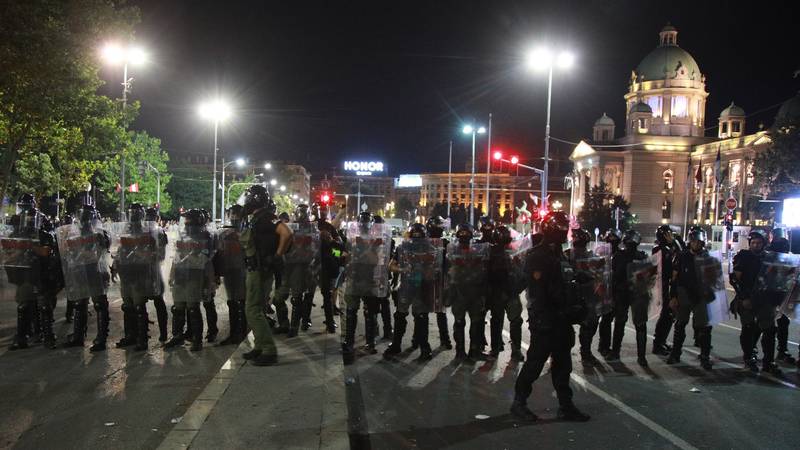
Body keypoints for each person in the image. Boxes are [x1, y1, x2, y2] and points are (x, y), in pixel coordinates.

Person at [511, 211, 590, 422]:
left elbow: (565, 278)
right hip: (545, 319)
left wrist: (578, 279)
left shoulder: (559, 254)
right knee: (535, 363)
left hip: (561, 318)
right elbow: (540, 290)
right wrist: (560, 302)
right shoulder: (537, 255)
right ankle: (519, 403)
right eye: (563, 230)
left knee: (563, 365)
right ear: (553, 231)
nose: (566, 234)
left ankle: (566, 405)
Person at [239, 185, 292, 366]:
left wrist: (276, 256)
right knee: (257, 308)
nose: (245, 201)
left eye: (247, 198)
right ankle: (260, 346)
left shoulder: (266, 218)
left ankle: (269, 349)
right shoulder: (257, 218)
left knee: (252, 309)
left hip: (260, 270)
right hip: (257, 268)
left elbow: (287, 233)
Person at [3, 195, 57, 350]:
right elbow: (10, 247)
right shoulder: (17, 224)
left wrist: (30, 246)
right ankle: (22, 336)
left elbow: (47, 249)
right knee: (23, 304)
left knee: (44, 305)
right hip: (24, 270)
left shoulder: (43, 222)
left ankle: (48, 336)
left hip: (41, 271)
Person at [112, 203, 166, 351]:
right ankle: (131, 335)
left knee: (139, 305)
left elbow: (159, 254)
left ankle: (142, 338)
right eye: (131, 213)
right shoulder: (125, 231)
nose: (133, 216)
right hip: (127, 272)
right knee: (127, 306)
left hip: (142, 272)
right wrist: (116, 264)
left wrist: (143, 255)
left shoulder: (151, 232)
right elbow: (120, 250)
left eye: (136, 213)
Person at [730, 230, 783, 374]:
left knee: (770, 330)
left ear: (764, 243)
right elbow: (735, 279)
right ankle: (748, 358)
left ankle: (768, 361)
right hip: (747, 298)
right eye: (753, 242)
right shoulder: (743, 257)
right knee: (748, 328)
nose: (756, 245)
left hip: (764, 299)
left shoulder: (769, 258)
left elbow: (776, 279)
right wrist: (743, 297)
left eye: (759, 243)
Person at [61, 204, 112, 352]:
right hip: (81, 271)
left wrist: (83, 254)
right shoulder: (75, 234)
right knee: (80, 303)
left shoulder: (100, 234)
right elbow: (68, 252)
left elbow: (99, 252)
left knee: (99, 304)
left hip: (96, 271)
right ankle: (78, 336)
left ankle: (101, 339)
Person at [342, 212, 391, 363]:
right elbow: (340, 253)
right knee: (351, 311)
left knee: (370, 313)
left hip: (369, 279)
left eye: (366, 222)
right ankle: (349, 342)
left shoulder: (376, 241)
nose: (364, 225)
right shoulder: (351, 239)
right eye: (361, 222)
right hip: (354, 278)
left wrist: (366, 249)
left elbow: (377, 261)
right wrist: (341, 255)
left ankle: (370, 342)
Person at [165, 209, 216, 352]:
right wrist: (172, 273)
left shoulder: (206, 237)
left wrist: (210, 282)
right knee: (178, 307)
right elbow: (177, 256)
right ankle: (177, 335)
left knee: (193, 307)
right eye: (185, 221)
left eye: (188, 221)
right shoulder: (182, 236)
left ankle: (197, 339)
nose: (186, 224)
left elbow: (208, 261)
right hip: (181, 273)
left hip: (196, 274)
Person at [386, 222, 439, 361]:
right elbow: (391, 266)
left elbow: (436, 269)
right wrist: (403, 270)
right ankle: (397, 344)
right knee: (400, 315)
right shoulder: (403, 248)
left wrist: (428, 271)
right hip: (407, 285)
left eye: (419, 237)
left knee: (421, 317)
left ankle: (423, 347)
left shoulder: (431, 249)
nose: (416, 240)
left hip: (423, 286)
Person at [666, 228, 715, 370]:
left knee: (704, 327)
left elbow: (714, 279)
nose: (696, 244)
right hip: (684, 293)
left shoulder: (708, 258)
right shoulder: (682, 257)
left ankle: (705, 356)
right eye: (693, 241)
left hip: (701, 295)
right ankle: (675, 353)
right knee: (680, 324)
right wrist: (673, 296)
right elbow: (674, 278)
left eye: (698, 241)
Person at [272, 204, 319, 337]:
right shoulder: (290, 227)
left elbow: (317, 248)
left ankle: (294, 327)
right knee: (278, 298)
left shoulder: (313, 229)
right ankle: (284, 324)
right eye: (300, 212)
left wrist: (315, 266)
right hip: (287, 266)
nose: (302, 215)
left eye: (304, 212)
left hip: (302, 266)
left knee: (297, 298)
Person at [608, 230, 652, 366]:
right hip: (625, 292)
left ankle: (637, 355)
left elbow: (649, 276)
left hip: (634, 293)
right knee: (624, 323)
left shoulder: (638, 256)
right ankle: (623, 353)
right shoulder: (624, 256)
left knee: (635, 323)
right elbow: (613, 275)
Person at [447, 223, 489, 360]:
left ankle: (473, 350)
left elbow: (483, 269)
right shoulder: (452, 251)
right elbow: (449, 269)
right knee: (460, 322)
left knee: (475, 322)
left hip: (474, 290)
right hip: (460, 290)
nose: (464, 238)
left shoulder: (477, 250)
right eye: (462, 235)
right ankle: (461, 351)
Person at [567, 228, 606, 365]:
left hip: (587, 295)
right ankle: (560, 354)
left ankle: (586, 352)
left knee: (590, 324)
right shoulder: (566, 255)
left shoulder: (592, 256)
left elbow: (600, 273)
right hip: (569, 296)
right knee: (563, 327)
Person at [486, 225, 525, 361]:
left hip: (509, 292)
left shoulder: (514, 253)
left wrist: (516, 288)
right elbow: (488, 275)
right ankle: (498, 348)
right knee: (499, 321)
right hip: (501, 292)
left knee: (511, 321)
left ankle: (513, 349)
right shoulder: (491, 253)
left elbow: (521, 272)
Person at [216, 204, 248, 345]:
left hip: (243, 270)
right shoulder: (224, 233)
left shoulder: (248, 232)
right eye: (232, 214)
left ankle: (242, 332)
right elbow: (218, 253)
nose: (234, 217)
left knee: (241, 301)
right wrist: (217, 273)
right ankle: (233, 332)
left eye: (237, 214)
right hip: (229, 271)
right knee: (231, 301)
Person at [767, 228, 796, 364]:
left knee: (783, 322)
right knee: (765, 324)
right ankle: (752, 350)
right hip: (768, 293)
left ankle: (782, 350)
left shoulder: (789, 257)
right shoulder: (768, 255)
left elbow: (792, 275)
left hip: (783, 293)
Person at [651, 225, 679, 356]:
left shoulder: (667, 248)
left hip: (668, 285)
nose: (671, 236)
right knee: (666, 315)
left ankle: (661, 341)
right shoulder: (660, 249)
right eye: (669, 234)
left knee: (669, 316)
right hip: (664, 286)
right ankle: (658, 344)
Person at [426, 216, 452, 350]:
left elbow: (450, 262)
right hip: (426, 279)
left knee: (439, 311)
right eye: (440, 227)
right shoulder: (424, 243)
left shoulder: (445, 243)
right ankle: (419, 340)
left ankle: (445, 339)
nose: (441, 229)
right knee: (422, 313)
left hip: (439, 279)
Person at [597, 228, 622, 356]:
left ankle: (614, 349)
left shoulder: (621, 255)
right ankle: (603, 346)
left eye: (614, 239)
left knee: (617, 322)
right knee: (605, 320)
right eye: (609, 239)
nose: (611, 242)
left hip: (617, 291)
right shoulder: (601, 254)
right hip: (605, 291)